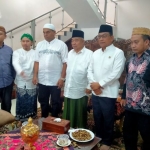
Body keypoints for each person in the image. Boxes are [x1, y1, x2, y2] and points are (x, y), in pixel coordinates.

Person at [87, 24, 125, 150]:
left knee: (108, 117)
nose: (101, 39)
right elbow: (89, 70)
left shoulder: (118, 53)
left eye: (104, 36)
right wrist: (94, 85)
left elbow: (116, 73)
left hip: (109, 92)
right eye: (99, 37)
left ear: (112, 38)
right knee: (97, 115)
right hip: (96, 91)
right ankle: (98, 137)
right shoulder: (95, 53)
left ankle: (107, 142)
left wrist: (100, 84)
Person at [121, 27, 150, 150]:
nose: (132, 45)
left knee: (147, 136)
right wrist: (123, 97)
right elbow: (127, 79)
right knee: (128, 135)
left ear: (147, 42)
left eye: (136, 42)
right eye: (131, 42)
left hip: (146, 109)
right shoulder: (131, 59)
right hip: (130, 107)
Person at [33, 23, 68, 118]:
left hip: (55, 80)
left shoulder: (61, 45)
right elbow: (36, 61)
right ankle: (44, 118)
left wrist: (62, 78)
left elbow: (65, 63)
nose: (45, 34)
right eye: (44, 32)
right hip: (42, 79)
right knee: (42, 99)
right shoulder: (40, 45)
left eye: (47, 32)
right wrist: (35, 76)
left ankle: (54, 119)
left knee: (55, 101)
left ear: (54, 32)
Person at [63, 30, 93, 128]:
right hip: (69, 87)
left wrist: (89, 86)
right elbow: (67, 69)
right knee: (68, 112)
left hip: (81, 89)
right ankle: (67, 129)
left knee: (79, 113)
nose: (73, 43)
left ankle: (79, 132)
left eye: (76, 40)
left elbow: (91, 71)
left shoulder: (89, 54)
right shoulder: (70, 53)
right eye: (72, 41)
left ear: (83, 41)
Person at [12, 33, 37, 123]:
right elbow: (15, 63)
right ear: (21, 42)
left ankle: (31, 116)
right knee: (21, 99)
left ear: (31, 42)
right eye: (23, 41)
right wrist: (20, 71)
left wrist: (35, 76)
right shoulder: (17, 52)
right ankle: (21, 117)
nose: (25, 43)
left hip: (31, 80)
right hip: (21, 79)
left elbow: (36, 65)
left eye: (27, 41)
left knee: (31, 98)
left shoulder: (35, 53)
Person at [0, 26, 15, 113]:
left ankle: (7, 125)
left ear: (5, 36)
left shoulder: (9, 50)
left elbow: (13, 65)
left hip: (7, 82)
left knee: (7, 104)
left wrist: (13, 78)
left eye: (0, 34)